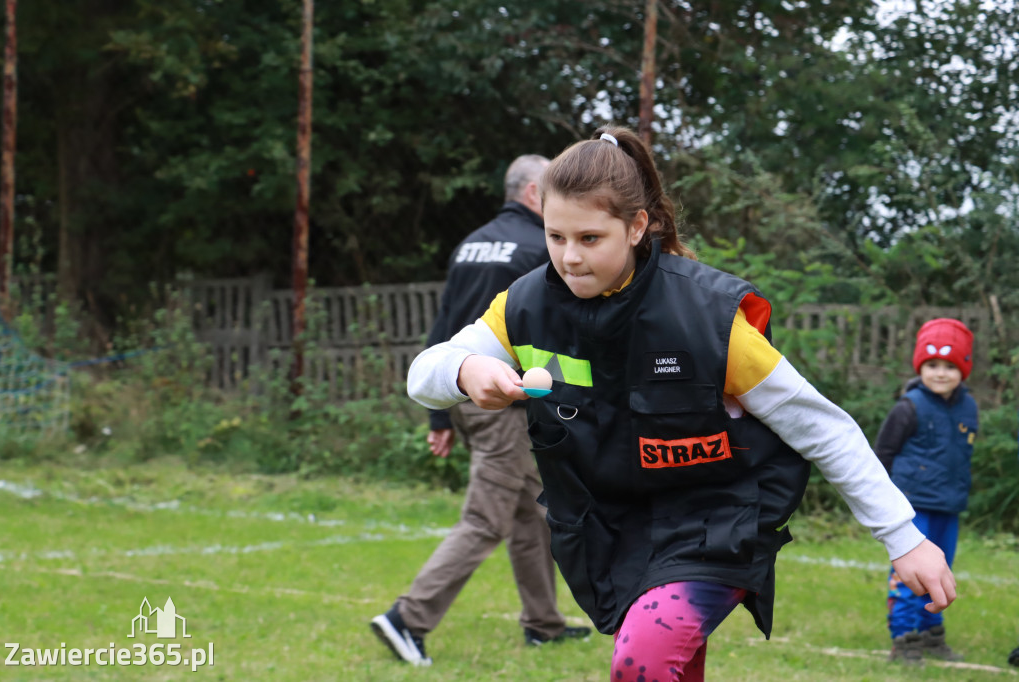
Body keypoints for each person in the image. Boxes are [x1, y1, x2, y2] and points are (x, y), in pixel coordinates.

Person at [405, 126, 957, 681]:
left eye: (590, 238)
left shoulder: (708, 318)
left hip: (714, 520)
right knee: (669, 665)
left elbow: (823, 428)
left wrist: (904, 539)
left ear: (637, 225)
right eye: (555, 236)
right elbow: (423, 373)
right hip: (610, 526)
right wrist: (466, 368)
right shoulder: (523, 304)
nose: (569, 258)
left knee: (642, 659)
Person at [370, 154, 590, 667]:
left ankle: (543, 624)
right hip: (501, 400)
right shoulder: (542, 248)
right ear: (536, 193)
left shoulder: (472, 243)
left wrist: (439, 415)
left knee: (533, 513)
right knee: (486, 518)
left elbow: (442, 328)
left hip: (460, 391)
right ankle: (409, 618)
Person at [875, 318, 977, 664]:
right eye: (932, 365)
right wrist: (882, 504)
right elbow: (882, 455)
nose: (940, 373)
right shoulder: (909, 407)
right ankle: (903, 639)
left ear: (963, 369)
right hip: (911, 508)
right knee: (909, 575)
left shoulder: (970, 407)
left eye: (950, 366)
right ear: (921, 367)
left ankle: (933, 636)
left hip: (949, 506)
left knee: (941, 571)